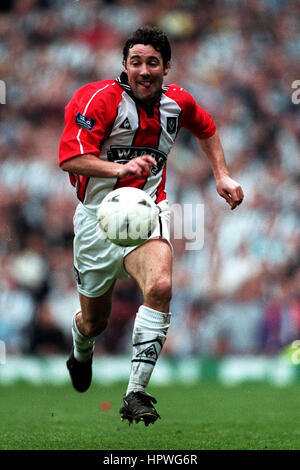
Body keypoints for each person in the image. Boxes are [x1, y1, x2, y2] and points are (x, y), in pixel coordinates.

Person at [58, 26, 244, 426]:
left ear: (166, 68)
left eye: (153, 63)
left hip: (147, 210)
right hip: (96, 219)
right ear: (124, 66)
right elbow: (71, 160)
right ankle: (81, 350)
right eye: (136, 62)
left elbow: (206, 128)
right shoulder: (98, 99)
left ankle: (135, 392)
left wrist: (222, 176)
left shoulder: (177, 103)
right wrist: (118, 167)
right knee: (95, 321)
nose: (144, 70)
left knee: (160, 286)